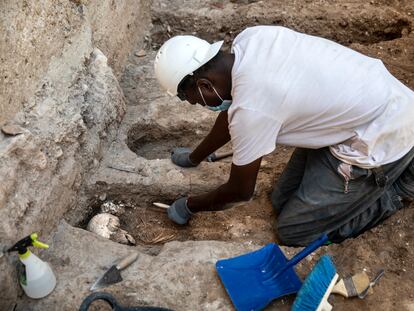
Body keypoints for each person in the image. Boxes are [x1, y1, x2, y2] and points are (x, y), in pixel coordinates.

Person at [153, 25, 414, 246]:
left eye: (195, 101)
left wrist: (189, 206)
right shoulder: (251, 40)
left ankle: (399, 189)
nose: (200, 106)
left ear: (204, 85)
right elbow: (233, 110)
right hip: (359, 107)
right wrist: (195, 157)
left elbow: (240, 191)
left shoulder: (253, 109)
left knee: (294, 230)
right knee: (279, 200)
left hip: (383, 134)